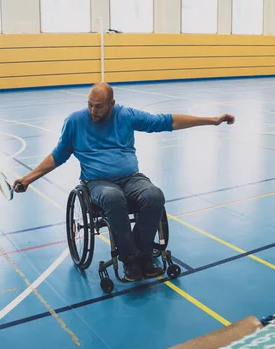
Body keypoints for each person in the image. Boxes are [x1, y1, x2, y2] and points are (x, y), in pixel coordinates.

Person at [13, 82, 235, 282]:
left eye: (99, 106)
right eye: (90, 105)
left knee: (154, 196)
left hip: (131, 178)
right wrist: (28, 179)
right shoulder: (74, 122)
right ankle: (130, 258)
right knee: (113, 198)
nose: (93, 111)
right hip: (97, 182)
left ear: (112, 104)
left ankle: (144, 253)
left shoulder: (125, 115)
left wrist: (212, 120)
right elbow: (58, 155)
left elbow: (168, 121)